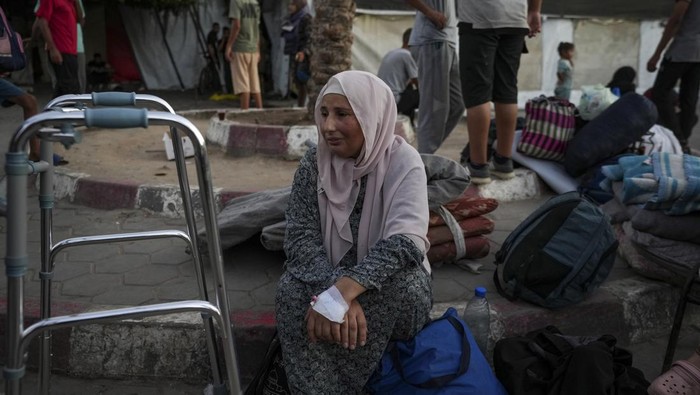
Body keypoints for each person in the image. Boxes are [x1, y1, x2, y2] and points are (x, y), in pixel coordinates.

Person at [275, 70, 433, 393]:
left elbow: (406, 244)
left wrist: (346, 290)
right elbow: (300, 239)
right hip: (329, 280)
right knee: (290, 289)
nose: (328, 126)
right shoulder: (314, 163)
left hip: (385, 283)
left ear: (370, 115)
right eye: (324, 113)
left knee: (407, 285)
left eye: (342, 114)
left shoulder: (405, 163)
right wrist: (332, 292)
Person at [458, 0, 542, 184]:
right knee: (507, 91)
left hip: (480, 19)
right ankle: (504, 160)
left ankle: (478, 166)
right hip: (515, 19)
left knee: (478, 96)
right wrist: (535, 10)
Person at [405, 0, 463, 154]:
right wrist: (429, 12)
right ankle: (423, 159)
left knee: (457, 105)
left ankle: (424, 154)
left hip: (448, 40)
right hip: (432, 39)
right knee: (434, 107)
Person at [646, 0, 700, 154]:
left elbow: (675, 20)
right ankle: (683, 142)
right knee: (689, 99)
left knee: (659, 93)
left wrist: (657, 54)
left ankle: (677, 138)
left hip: (681, 50)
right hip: (698, 55)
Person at [33, 0, 81, 98]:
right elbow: (42, 22)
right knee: (68, 89)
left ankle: (51, 112)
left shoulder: (70, 2)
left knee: (68, 87)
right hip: (61, 49)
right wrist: (52, 48)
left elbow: (79, 19)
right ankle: (64, 111)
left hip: (71, 50)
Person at [225, 0, 263, 110]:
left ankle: (244, 114)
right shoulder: (255, 3)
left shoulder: (236, 2)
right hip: (253, 48)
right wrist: (258, 49)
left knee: (243, 85)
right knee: (255, 85)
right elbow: (257, 28)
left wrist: (229, 46)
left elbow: (236, 25)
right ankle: (261, 111)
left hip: (240, 47)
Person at [377, 28, 420, 125]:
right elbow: (417, 83)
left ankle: (408, 122)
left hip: (383, 99)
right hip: (395, 100)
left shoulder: (393, 53)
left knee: (409, 91)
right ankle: (426, 126)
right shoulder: (407, 55)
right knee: (425, 95)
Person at [281, 0, 312, 108]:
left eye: (292, 4)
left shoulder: (305, 18)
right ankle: (301, 105)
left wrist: (304, 52)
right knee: (298, 81)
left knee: (303, 80)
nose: (290, 7)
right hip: (294, 52)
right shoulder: (292, 18)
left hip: (302, 54)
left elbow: (309, 38)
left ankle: (305, 105)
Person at [218, 26, 233, 94]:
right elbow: (219, 49)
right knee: (227, 74)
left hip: (233, 59)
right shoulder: (221, 41)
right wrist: (224, 39)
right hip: (226, 59)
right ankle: (228, 89)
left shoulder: (232, 40)